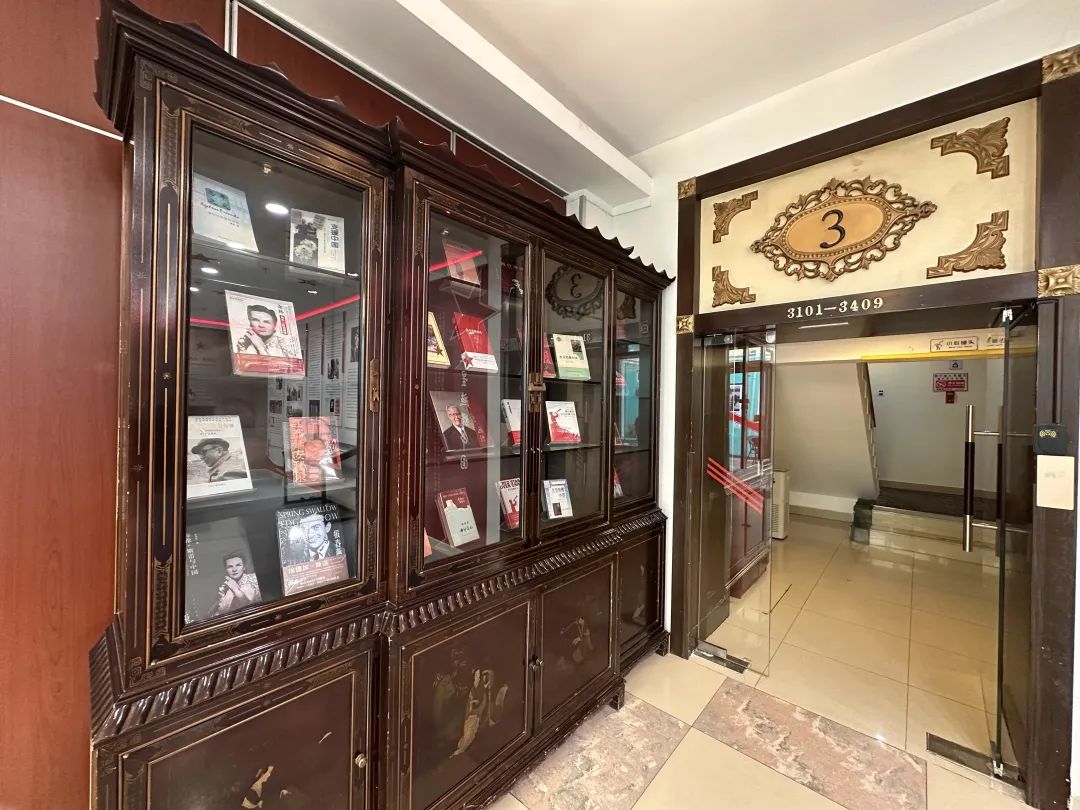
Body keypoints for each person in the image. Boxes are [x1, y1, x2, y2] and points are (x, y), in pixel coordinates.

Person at [211, 552, 261, 616]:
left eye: (238, 565)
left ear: (244, 567)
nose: (234, 569)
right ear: (226, 570)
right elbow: (221, 612)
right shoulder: (225, 588)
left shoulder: (254, 579)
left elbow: (252, 607)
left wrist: (235, 589)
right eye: (230, 567)